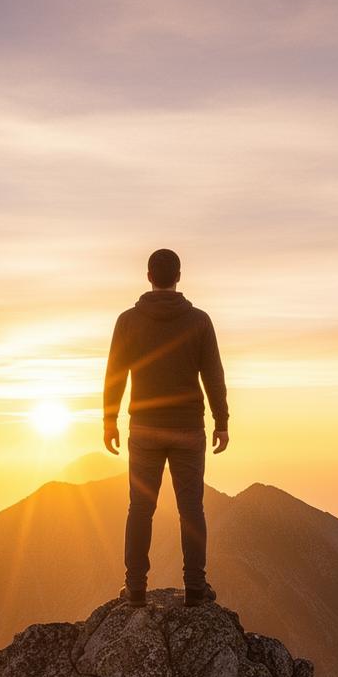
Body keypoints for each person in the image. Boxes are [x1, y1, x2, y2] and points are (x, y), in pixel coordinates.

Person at [103, 248, 229, 607]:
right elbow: (213, 376)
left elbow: (115, 375)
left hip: (144, 429)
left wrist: (108, 420)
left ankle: (136, 589)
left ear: (148, 276)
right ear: (179, 276)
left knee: (140, 509)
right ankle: (195, 589)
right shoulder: (200, 321)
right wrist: (221, 422)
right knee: (192, 510)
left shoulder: (127, 321)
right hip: (188, 428)